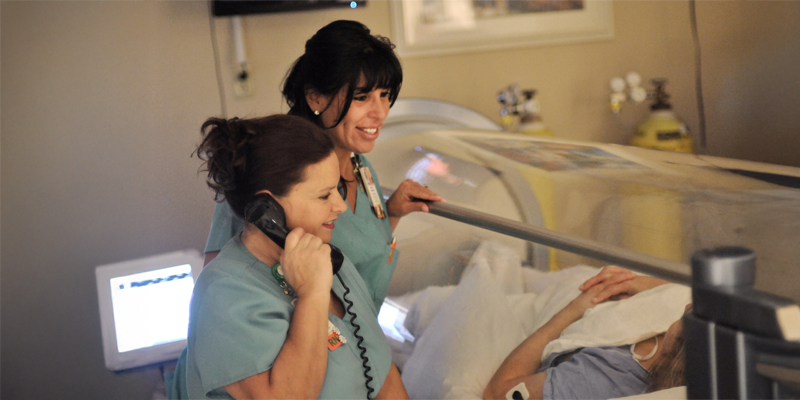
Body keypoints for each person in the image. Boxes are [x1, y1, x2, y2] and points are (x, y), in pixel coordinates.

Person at [204, 20, 444, 311]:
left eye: (385, 95)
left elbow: (363, 258)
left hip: (356, 346)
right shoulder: (263, 170)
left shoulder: (362, 168)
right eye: (362, 97)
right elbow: (216, 283)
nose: (380, 112)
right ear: (315, 97)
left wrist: (391, 213)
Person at [168, 115, 409, 399]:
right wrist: (312, 294)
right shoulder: (224, 293)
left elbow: (382, 372)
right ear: (266, 206)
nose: (340, 206)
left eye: (338, 190)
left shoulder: (327, 258)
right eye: (324, 196)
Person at [483, 266, 688, 400]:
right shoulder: (683, 308)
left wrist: (574, 308)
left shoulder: (602, 378)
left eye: (692, 315)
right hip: (585, 287)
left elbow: (497, 394)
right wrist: (637, 283)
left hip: (543, 313)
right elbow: (686, 295)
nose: (689, 305)